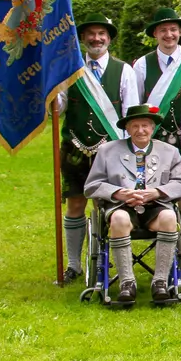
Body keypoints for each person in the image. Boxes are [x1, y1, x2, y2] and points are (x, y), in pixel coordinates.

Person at [57, 16, 141, 281]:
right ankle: (74, 265)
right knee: (75, 203)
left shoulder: (123, 70)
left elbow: (130, 114)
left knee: (108, 206)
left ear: (109, 38)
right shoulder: (69, 70)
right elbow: (58, 109)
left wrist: (129, 152)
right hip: (75, 148)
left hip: (111, 151)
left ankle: (104, 259)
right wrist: (48, 92)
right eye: (91, 34)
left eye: (101, 34)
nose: (96, 38)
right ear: (83, 38)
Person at [85, 104, 181, 306]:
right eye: (135, 126)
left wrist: (157, 192)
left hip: (156, 204)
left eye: (145, 126)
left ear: (152, 128)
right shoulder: (107, 151)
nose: (140, 130)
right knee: (119, 219)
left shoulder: (169, 152)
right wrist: (118, 193)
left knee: (169, 218)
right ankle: (127, 283)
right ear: (127, 129)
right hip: (121, 205)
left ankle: (160, 282)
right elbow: (91, 185)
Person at [132, 7, 181, 156]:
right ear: (155, 33)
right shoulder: (142, 64)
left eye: (173, 29)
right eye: (163, 30)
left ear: (180, 32)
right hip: (153, 140)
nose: (169, 35)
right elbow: (136, 104)